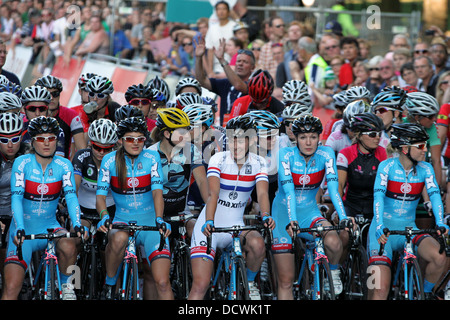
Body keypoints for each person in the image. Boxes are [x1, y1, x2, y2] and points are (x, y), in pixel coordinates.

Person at [189, 114, 275, 300]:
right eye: (232, 139)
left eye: (241, 140)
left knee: (258, 244)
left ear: (252, 140)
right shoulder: (218, 159)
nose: (235, 145)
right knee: (200, 286)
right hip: (210, 224)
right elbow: (213, 194)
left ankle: (250, 283)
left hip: (235, 225)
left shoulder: (259, 162)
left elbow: (261, 194)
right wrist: (209, 221)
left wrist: (266, 215)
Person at [2, 116, 85, 300]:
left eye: (51, 138)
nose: (46, 143)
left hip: (49, 225)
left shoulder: (64, 165)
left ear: (57, 140)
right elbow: (16, 198)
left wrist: (77, 223)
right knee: (11, 290)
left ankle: (68, 287)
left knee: (70, 244)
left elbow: (71, 197)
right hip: (23, 229)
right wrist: (20, 227)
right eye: (41, 138)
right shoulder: (22, 163)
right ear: (32, 141)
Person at [271, 114, 350, 299]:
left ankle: (333, 271)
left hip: (309, 211)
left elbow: (334, 189)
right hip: (284, 215)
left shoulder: (326, 153)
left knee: (334, 241)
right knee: (286, 280)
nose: (308, 142)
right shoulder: (285, 155)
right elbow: (289, 191)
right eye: (303, 137)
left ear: (319, 138)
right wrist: (292, 221)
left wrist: (344, 216)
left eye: (313, 137)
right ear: (296, 138)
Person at [368, 123, 448, 300]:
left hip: (409, 229)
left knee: (440, 257)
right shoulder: (386, 167)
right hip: (383, 231)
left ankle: (425, 294)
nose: (425, 150)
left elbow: (435, 196)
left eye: (425, 145)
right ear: (404, 148)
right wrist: (380, 224)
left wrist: (440, 221)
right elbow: (378, 198)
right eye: (420, 146)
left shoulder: (425, 169)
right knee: (380, 290)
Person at [96, 117, 172, 300]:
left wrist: (160, 219)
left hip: (151, 222)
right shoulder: (109, 160)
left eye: (140, 138)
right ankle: (110, 284)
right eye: (130, 139)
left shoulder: (151, 157)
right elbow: (100, 196)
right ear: (121, 140)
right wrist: (104, 216)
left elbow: (157, 192)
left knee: (162, 282)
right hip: (122, 220)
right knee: (120, 236)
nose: (136, 143)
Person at [194, 35, 255, 125]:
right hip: (225, 131)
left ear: (252, 67)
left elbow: (238, 85)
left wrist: (221, 60)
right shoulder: (226, 83)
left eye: (245, 62)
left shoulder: (253, 84)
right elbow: (202, 80)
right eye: (238, 61)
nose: (240, 64)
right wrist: (199, 58)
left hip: (244, 133)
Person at [337, 112, 387, 221]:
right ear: (359, 135)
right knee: (344, 232)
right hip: (350, 206)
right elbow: (340, 185)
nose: (377, 138)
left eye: (379, 134)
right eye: (372, 134)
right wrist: (339, 211)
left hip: (374, 207)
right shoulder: (346, 153)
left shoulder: (382, 152)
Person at [72, 118, 117, 221]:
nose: (101, 152)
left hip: (110, 208)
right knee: (79, 234)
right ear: (90, 144)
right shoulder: (81, 157)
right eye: (97, 147)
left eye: (106, 149)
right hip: (83, 208)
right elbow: (75, 186)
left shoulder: (117, 159)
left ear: (113, 148)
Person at [0, 113, 26, 283]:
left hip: (22, 213)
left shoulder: (29, 154)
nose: (10, 145)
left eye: (15, 139)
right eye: (3, 140)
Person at [35, 75, 86, 159]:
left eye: (55, 94)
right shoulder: (33, 113)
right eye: (47, 94)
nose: (51, 98)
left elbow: (82, 150)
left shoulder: (70, 115)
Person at [20, 85, 66, 158]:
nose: (37, 113)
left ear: (47, 109)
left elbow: (59, 160)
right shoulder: (19, 130)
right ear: (24, 110)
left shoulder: (57, 131)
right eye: (32, 109)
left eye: (42, 109)